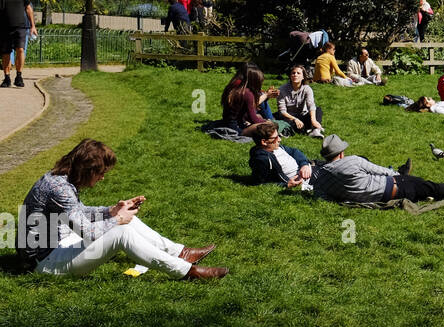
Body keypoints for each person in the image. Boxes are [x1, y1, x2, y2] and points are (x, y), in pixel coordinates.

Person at [17, 139, 227, 279]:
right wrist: (117, 220)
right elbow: (89, 234)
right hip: (44, 263)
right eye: (100, 173)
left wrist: (112, 210)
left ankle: (182, 253)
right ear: (87, 169)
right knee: (122, 231)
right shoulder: (59, 188)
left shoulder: (60, 179)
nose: (103, 177)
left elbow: (78, 213)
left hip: (59, 242)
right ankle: (187, 272)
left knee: (127, 220)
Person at [289, 134, 444, 202]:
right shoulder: (353, 160)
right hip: (393, 187)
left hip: (375, 196)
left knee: (425, 192)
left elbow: (318, 189)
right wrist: (400, 175)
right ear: (341, 153)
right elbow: (380, 170)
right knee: (430, 186)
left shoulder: (321, 176)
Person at [1, 0, 37, 88]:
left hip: (21, 26)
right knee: (6, 53)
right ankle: (6, 78)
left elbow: (28, 8)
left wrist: (33, 26)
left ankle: (19, 76)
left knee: (20, 50)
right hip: (5, 28)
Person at [248, 122, 313, 184]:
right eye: (275, 138)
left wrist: (304, 165)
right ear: (264, 142)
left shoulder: (276, 147)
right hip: (307, 179)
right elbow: (260, 181)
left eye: (278, 136)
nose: (279, 139)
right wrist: (286, 184)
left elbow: (294, 151)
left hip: (309, 168)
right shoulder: (262, 159)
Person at [222, 64, 270, 136]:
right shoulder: (247, 93)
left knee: (259, 117)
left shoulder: (234, 86)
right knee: (268, 127)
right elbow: (253, 119)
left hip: (228, 121)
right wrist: (266, 122)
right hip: (236, 127)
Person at [276, 65, 324, 138]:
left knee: (318, 110)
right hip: (289, 117)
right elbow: (282, 111)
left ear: (303, 77)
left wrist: (313, 120)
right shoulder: (282, 89)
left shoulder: (307, 89)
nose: (295, 75)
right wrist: (295, 119)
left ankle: (315, 131)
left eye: (298, 73)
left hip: (302, 115)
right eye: (293, 73)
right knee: (295, 126)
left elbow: (311, 105)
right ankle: (300, 129)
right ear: (290, 76)